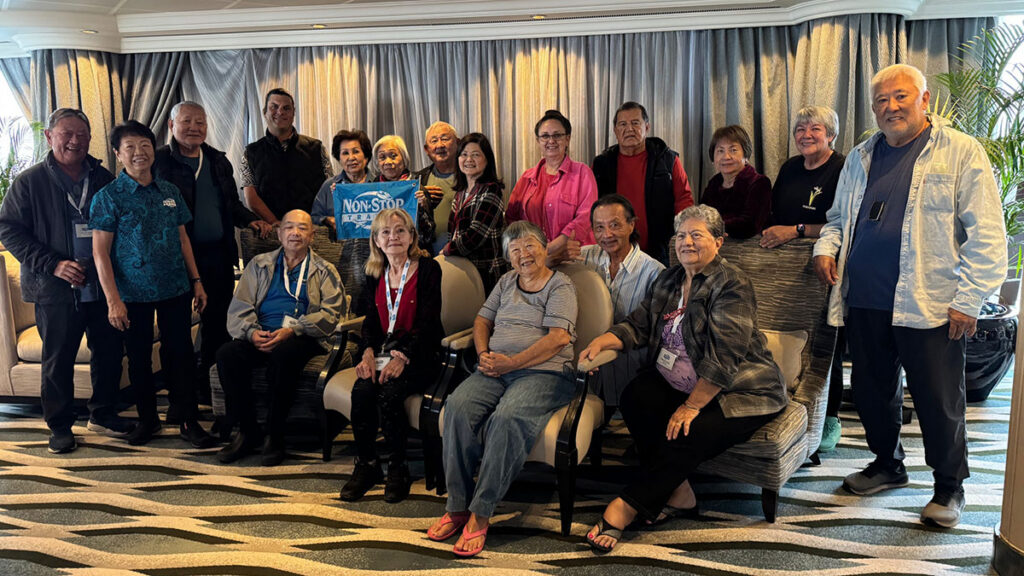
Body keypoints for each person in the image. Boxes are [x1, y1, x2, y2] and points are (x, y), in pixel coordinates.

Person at [813, 63, 1006, 529]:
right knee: (873, 391)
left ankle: (948, 487)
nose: (890, 106)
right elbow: (838, 219)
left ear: (923, 100)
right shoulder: (860, 157)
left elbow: (988, 235)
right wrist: (826, 246)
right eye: (881, 100)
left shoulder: (960, 151)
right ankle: (887, 464)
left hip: (932, 303)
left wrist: (970, 298)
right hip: (863, 300)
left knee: (939, 399)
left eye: (901, 97)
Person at [580, 205, 787, 553]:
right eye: (680, 235)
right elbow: (639, 325)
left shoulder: (731, 284)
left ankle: (628, 505)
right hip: (682, 382)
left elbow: (725, 357)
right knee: (635, 396)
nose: (686, 242)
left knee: (688, 431)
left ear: (719, 242)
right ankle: (680, 494)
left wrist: (691, 406)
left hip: (740, 391)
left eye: (696, 235)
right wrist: (605, 339)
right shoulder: (670, 279)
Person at [427, 221, 577, 557]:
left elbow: (559, 338)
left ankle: (481, 513)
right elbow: (482, 321)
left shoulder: (561, 285)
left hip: (545, 374)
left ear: (544, 247)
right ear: (508, 257)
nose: (524, 254)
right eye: (515, 249)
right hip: (496, 369)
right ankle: (457, 506)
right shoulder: (506, 281)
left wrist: (511, 363)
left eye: (530, 245)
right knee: (457, 407)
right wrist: (484, 355)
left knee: (507, 418)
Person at [0, 108, 131, 453]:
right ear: (49, 136)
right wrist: (53, 263)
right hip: (55, 288)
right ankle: (59, 425)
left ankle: (102, 412)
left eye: (82, 135)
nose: (75, 141)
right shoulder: (30, 182)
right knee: (58, 359)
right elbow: (8, 228)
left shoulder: (103, 178)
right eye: (66, 134)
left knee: (109, 352)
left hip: (102, 285)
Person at [90, 120, 214, 447]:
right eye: (130, 147)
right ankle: (148, 421)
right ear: (118, 154)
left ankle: (187, 419)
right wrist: (113, 300)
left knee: (181, 354)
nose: (139, 153)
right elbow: (100, 254)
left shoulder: (169, 191)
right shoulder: (108, 197)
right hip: (132, 293)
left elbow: (183, 239)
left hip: (175, 287)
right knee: (140, 357)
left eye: (145, 145)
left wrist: (197, 282)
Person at [153, 101, 272, 407]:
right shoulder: (159, 161)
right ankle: (180, 396)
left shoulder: (218, 161)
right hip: (175, 260)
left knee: (217, 325)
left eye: (200, 123)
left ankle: (209, 387)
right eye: (187, 121)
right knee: (176, 329)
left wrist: (251, 220)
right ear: (170, 125)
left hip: (218, 256)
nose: (194, 128)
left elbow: (231, 205)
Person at [215, 210, 346, 466]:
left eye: (302, 228)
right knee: (226, 355)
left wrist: (294, 329)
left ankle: (275, 435)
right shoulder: (259, 264)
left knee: (284, 354)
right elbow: (239, 307)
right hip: (261, 331)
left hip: (302, 335)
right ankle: (248, 431)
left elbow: (332, 314)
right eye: (289, 227)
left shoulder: (324, 270)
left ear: (312, 235)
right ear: (279, 233)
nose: (294, 233)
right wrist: (252, 333)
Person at [758, 105, 846, 453]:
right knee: (791, 338)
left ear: (831, 135)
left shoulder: (842, 168)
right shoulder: (790, 168)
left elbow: (845, 223)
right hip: (787, 270)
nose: (806, 135)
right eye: (800, 129)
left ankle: (830, 416)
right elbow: (775, 215)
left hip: (825, 267)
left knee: (827, 342)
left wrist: (796, 231)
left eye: (815, 129)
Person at [340, 208, 443, 503]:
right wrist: (368, 353)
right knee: (361, 391)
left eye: (400, 231)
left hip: (421, 352)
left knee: (390, 393)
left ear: (412, 237)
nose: (393, 237)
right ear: (376, 239)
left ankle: (399, 468)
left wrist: (404, 356)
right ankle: (368, 465)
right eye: (385, 232)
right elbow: (370, 321)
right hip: (383, 351)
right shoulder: (374, 273)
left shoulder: (428, 269)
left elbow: (429, 323)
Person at [579, 194, 664, 407]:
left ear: (631, 225)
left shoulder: (655, 273)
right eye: (599, 228)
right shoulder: (582, 258)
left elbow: (655, 334)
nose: (606, 234)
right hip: (586, 377)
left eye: (615, 225)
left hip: (630, 379)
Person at [342, 135, 435, 315]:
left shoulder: (418, 187)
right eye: (382, 157)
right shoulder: (370, 188)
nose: (388, 161)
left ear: (404, 158)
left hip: (413, 261)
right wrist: (342, 194)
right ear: (376, 162)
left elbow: (428, 235)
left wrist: (422, 208)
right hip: (381, 261)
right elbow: (361, 228)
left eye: (393, 155)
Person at [592, 101, 694, 264]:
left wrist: (681, 235)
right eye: (623, 124)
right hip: (613, 249)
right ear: (615, 131)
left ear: (647, 127)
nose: (629, 129)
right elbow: (592, 205)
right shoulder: (601, 164)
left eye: (635, 123)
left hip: (660, 250)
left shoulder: (668, 159)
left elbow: (684, 199)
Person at [507, 109, 596, 266]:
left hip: (572, 258)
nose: (551, 141)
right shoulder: (527, 178)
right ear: (538, 140)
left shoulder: (582, 173)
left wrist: (551, 248)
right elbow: (512, 219)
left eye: (557, 135)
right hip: (535, 262)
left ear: (567, 139)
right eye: (545, 136)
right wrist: (529, 250)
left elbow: (585, 217)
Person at [241, 88, 332, 224]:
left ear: (293, 113)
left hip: (312, 229)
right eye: (274, 107)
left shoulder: (316, 148)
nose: (280, 112)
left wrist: (319, 219)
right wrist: (275, 222)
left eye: (286, 108)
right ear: (265, 112)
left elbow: (329, 189)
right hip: (271, 231)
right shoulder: (251, 153)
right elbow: (251, 197)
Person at [442, 132, 506, 291]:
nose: (468, 160)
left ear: (487, 159)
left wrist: (448, 249)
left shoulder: (491, 191)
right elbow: (454, 232)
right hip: (463, 270)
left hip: (486, 273)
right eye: (464, 154)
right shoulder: (460, 193)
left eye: (475, 155)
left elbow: (476, 236)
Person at [699, 125, 771, 239]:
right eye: (720, 151)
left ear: (745, 155)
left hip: (749, 251)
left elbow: (750, 225)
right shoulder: (714, 182)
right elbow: (701, 215)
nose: (726, 156)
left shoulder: (759, 183)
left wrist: (712, 228)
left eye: (733, 150)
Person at [411, 122, 459, 254]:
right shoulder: (417, 180)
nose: (440, 145)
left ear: (458, 143)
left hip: (462, 255)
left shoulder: (470, 176)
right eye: (434, 141)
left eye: (445, 139)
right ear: (426, 150)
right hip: (427, 255)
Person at [311, 129, 372, 231]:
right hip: (339, 244)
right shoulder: (329, 185)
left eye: (356, 151)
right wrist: (327, 220)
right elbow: (314, 217)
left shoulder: (379, 182)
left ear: (366, 156)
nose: (351, 157)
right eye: (345, 153)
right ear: (339, 159)